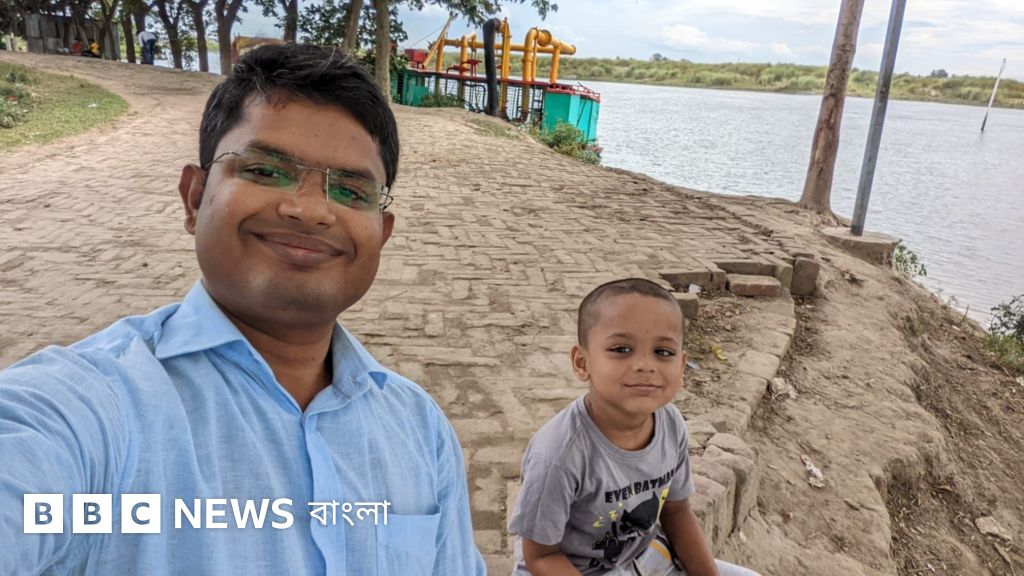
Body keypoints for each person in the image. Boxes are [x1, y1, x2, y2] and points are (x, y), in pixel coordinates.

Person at [0, 44, 485, 574]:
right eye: (266, 171)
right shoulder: (92, 409)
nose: (310, 211)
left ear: (381, 234)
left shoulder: (419, 429)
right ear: (195, 197)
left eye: (349, 191)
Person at [508, 278, 760, 576]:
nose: (645, 365)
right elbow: (540, 557)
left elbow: (677, 511)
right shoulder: (558, 455)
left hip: (644, 557)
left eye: (663, 352)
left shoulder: (671, 424)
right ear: (582, 362)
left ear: (681, 366)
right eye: (622, 348)